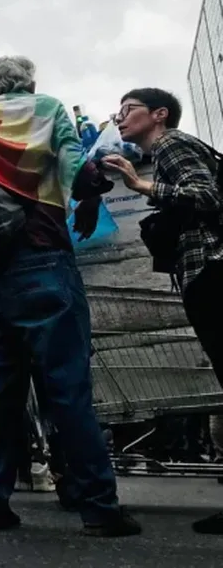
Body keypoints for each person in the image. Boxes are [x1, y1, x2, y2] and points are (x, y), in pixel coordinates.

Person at [0, 54, 138, 536]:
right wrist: (95, 186)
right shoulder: (48, 110)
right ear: (30, 83)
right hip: (43, 259)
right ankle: (99, 506)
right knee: (67, 389)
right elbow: (76, 166)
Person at [102, 88, 223, 534]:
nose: (118, 118)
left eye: (127, 110)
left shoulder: (171, 143)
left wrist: (140, 185)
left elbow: (206, 197)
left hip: (211, 267)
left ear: (159, 114)